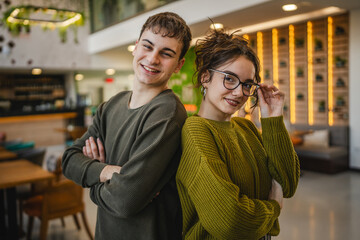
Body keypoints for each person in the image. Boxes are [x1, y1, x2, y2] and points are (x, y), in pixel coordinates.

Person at [62, 12, 192, 240]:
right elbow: (69, 160)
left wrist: (92, 180)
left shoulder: (167, 113)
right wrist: (109, 172)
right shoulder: (110, 106)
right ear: (135, 47)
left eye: (166, 53)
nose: (152, 59)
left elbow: (125, 200)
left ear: (179, 65)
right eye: (147, 46)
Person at [176, 29, 300, 240]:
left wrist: (273, 119)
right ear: (206, 77)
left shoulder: (246, 128)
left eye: (247, 84)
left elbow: (287, 183)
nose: (239, 92)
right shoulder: (196, 130)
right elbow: (230, 221)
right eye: (229, 79)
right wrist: (273, 207)